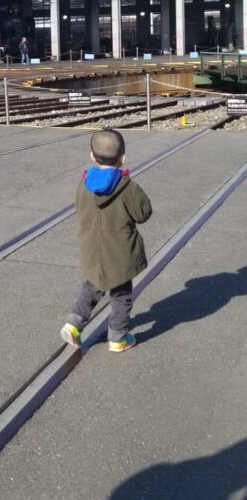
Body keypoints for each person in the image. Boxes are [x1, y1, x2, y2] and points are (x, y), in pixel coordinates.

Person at [60, 128, 152, 352]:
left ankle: (73, 324)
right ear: (123, 158)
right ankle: (118, 337)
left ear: (92, 156)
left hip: (92, 249)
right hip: (120, 254)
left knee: (92, 287)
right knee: (121, 295)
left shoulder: (84, 184)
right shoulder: (129, 188)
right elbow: (143, 213)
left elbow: (79, 208)